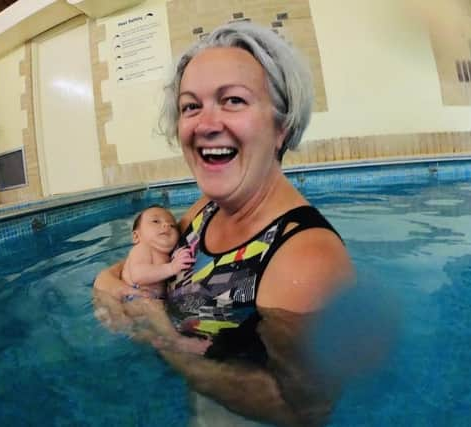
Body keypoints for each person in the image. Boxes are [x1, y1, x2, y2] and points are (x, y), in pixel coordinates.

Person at [94, 21, 353, 426]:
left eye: (232, 100)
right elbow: (127, 270)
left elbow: (305, 407)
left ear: (280, 127)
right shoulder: (205, 211)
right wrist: (120, 291)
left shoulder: (305, 257)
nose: (205, 123)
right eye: (190, 106)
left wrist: (162, 339)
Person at [121, 205, 193, 297]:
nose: (166, 225)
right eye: (156, 221)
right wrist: (171, 268)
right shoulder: (142, 248)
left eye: (172, 225)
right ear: (136, 236)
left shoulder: (169, 255)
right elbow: (138, 275)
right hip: (136, 296)